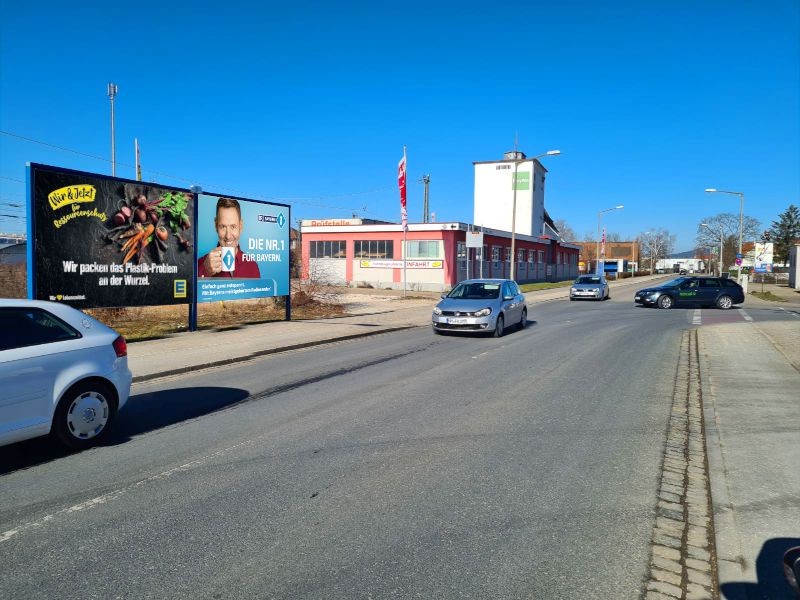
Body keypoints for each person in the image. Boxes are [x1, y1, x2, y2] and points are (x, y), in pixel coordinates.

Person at [198, 197, 261, 278]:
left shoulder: (252, 266)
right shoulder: (200, 265)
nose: (228, 236)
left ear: (240, 226)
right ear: (216, 226)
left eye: (233, 226)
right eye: (223, 226)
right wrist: (205, 272)